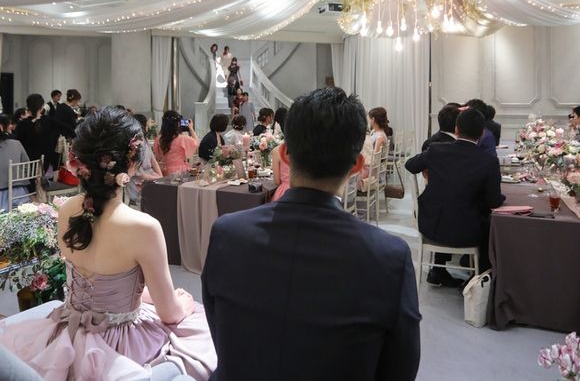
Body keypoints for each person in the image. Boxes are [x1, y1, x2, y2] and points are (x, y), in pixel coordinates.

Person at [202, 88, 421, 381]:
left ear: (284, 154)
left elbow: (220, 333)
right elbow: (400, 368)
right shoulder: (389, 257)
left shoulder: (227, 233)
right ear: (356, 165)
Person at [0, 107, 216, 379]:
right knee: (205, 331)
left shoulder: (66, 210)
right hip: (118, 345)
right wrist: (183, 304)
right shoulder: (143, 227)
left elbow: (104, 284)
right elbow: (169, 314)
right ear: (132, 163)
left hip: (66, 334)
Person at [405, 108, 504, 286]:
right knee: (490, 225)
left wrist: (431, 170)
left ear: (456, 129)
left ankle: (449, 274)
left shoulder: (436, 150)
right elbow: (494, 201)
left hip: (431, 225)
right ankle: (477, 282)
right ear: (482, 133)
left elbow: (410, 165)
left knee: (454, 206)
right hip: (467, 233)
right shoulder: (488, 161)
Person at [16, 93, 63, 174]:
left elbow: (19, 143)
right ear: (41, 107)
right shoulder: (47, 121)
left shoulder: (22, 124)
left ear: (28, 107)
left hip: (25, 163)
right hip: (43, 162)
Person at [126, 114, 163, 204]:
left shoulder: (145, 140)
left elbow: (153, 160)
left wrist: (160, 176)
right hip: (138, 182)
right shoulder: (133, 144)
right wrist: (159, 178)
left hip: (150, 175)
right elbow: (141, 175)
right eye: (146, 125)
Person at [154, 111, 200, 175]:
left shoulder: (159, 139)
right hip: (180, 171)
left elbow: (157, 156)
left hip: (165, 170)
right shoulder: (182, 138)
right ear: (177, 124)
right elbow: (196, 142)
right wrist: (191, 128)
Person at [0, 115, 30, 211]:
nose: (11, 126)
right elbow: (27, 165)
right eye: (9, 124)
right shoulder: (16, 143)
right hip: (20, 194)